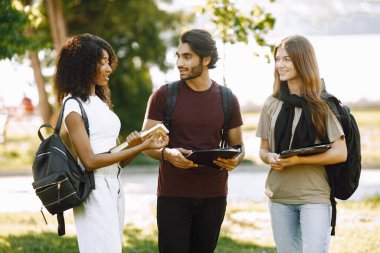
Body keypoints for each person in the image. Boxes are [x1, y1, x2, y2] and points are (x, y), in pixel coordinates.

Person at [54, 33, 168, 253]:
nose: (109, 69)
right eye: (102, 63)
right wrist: (142, 147)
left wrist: (139, 145)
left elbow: (119, 161)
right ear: (83, 65)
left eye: (108, 62)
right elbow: (88, 161)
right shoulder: (73, 105)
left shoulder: (100, 102)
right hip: (93, 190)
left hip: (114, 187)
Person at [141, 28, 245, 253]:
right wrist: (166, 154)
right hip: (173, 196)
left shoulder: (228, 99)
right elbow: (145, 143)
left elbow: (238, 146)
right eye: (178, 56)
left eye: (187, 57)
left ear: (205, 59)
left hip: (214, 196)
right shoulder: (164, 95)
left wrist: (236, 160)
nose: (179, 62)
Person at [256, 35, 347, 253]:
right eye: (278, 59)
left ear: (303, 60)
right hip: (279, 196)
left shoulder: (322, 104)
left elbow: (340, 152)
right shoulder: (271, 103)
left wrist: (297, 160)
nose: (280, 65)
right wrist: (270, 157)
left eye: (287, 59)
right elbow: (263, 149)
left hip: (314, 196)